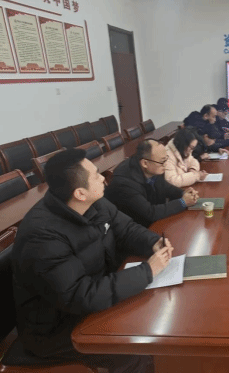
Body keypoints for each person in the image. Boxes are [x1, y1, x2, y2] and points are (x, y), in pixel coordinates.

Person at [12, 149, 174, 373]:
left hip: (92, 299)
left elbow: (126, 228)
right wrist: (148, 271)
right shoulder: (42, 237)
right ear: (80, 193)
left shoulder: (93, 202)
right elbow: (82, 295)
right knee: (133, 347)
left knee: (151, 313)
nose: (102, 178)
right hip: (55, 329)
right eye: (96, 175)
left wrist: (153, 242)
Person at [105, 139, 198, 227]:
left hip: (153, 223)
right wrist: (182, 202)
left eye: (166, 159)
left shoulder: (154, 166)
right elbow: (150, 213)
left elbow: (165, 187)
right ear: (145, 163)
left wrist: (183, 193)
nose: (166, 164)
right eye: (162, 161)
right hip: (133, 228)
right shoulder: (125, 183)